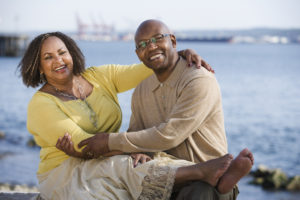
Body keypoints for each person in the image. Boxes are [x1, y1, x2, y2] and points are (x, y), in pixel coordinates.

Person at [19, 31, 233, 200]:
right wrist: (129, 151)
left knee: (142, 161)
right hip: (64, 170)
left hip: (106, 155)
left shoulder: (99, 76)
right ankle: (201, 172)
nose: (59, 60)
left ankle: (209, 175)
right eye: (48, 57)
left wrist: (179, 53)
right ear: (38, 67)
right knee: (128, 165)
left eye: (62, 52)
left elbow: (149, 66)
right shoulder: (41, 104)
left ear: (72, 53)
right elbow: (82, 144)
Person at [72, 20, 254, 199]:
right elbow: (136, 135)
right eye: (143, 44)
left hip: (208, 172)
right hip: (169, 176)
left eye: (158, 38)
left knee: (199, 192)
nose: (151, 47)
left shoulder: (198, 78)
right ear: (138, 55)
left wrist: (109, 141)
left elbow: (170, 134)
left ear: (173, 41)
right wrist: (139, 151)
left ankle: (223, 181)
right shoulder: (141, 90)